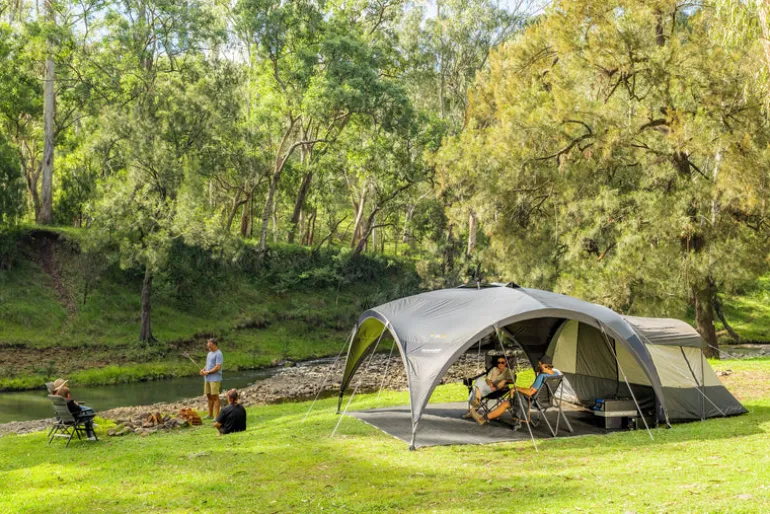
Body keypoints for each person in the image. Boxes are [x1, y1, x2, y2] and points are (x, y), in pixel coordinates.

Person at [470, 355, 561, 427]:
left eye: (539, 364)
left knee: (505, 403)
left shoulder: (542, 376)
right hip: (546, 400)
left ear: (541, 364)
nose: (538, 365)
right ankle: (509, 406)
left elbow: (530, 392)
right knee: (510, 398)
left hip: (533, 401)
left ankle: (482, 419)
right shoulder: (556, 374)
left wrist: (516, 388)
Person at [200, 338, 224, 419]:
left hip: (215, 378)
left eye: (209, 345)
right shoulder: (209, 354)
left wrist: (208, 372)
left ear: (214, 345)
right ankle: (210, 415)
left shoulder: (219, 353)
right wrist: (203, 370)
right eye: (208, 345)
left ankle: (217, 416)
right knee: (209, 396)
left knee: (215, 396)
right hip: (207, 378)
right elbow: (207, 364)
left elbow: (218, 367)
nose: (208, 347)